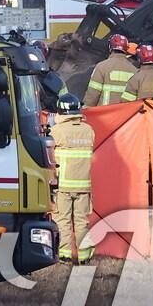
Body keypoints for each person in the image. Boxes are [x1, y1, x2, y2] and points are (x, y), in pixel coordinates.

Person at [49, 93, 95, 263]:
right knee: (82, 221)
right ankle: (84, 256)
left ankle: (65, 255)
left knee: (63, 220)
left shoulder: (56, 131)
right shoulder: (88, 130)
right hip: (84, 186)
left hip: (63, 186)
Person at [83, 33, 137, 107]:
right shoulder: (134, 70)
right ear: (126, 49)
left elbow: (92, 95)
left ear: (110, 47)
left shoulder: (101, 67)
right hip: (126, 115)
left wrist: (86, 110)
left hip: (104, 114)